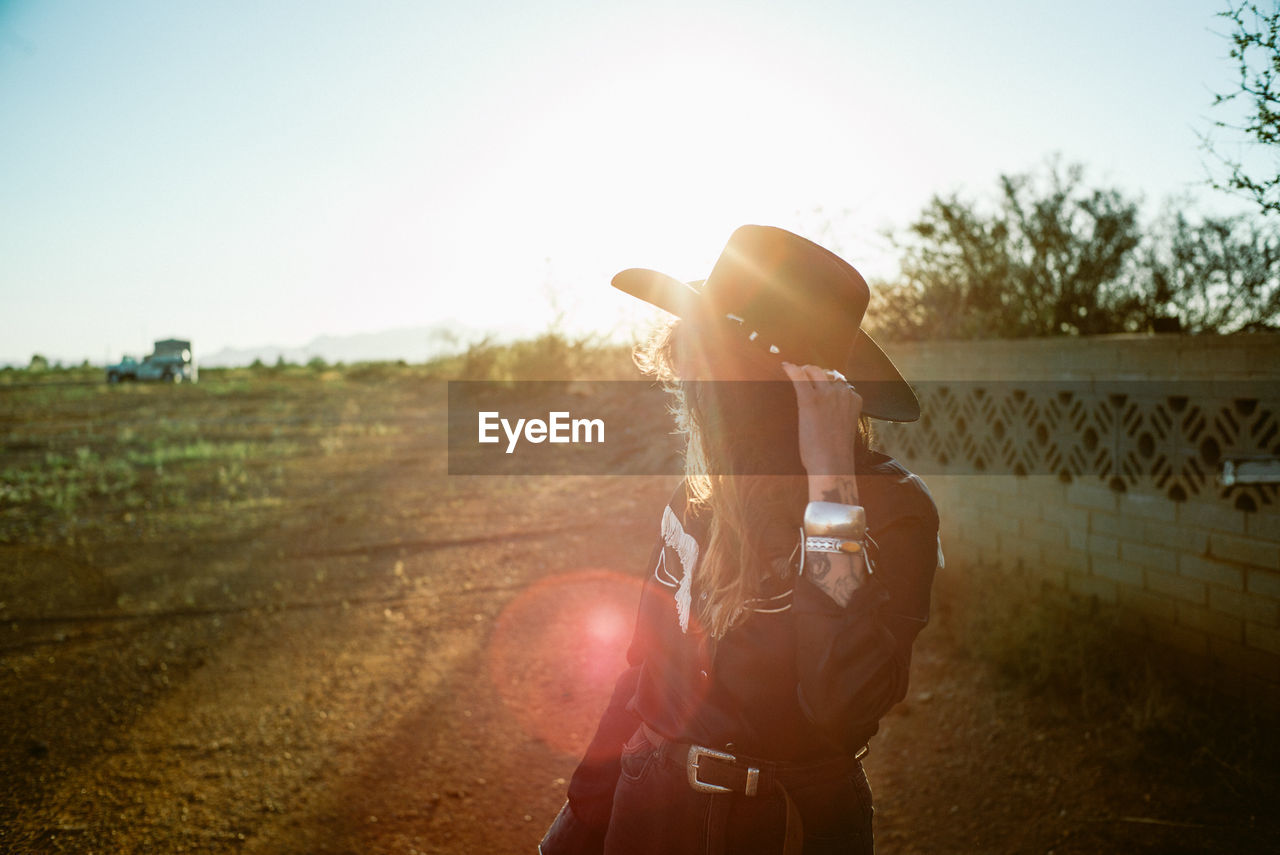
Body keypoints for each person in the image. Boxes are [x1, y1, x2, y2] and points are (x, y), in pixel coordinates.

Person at [540, 225, 942, 855]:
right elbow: (646, 675)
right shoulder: (699, 497)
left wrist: (830, 480)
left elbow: (841, 701)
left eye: (708, 370)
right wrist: (578, 825)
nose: (690, 395)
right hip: (649, 809)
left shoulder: (889, 507)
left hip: (789, 827)